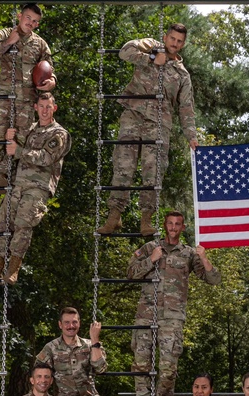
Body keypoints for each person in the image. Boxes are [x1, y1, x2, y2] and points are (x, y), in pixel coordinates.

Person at [97, 23, 199, 236]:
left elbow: (186, 108)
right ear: (165, 36)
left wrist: (191, 136)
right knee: (123, 166)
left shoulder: (182, 75)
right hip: (133, 115)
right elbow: (125, 51)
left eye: (179, 41)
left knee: (153, 173)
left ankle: (146, 219)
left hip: (160, 123)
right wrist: (151, 58)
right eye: (172, 38)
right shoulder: (150, 47)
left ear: (183, 44)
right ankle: (114, 216)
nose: (175, 44)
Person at [128, 211, 221, 396]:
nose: (173, 227)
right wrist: (151, 261)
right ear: (165, 225)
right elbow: (131, 272)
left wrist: (204, 258)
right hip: (145, 314)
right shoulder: (151, 248)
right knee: (141, 363)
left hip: (172, 317)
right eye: (170, 223)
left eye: (177, 224)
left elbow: (213, 279)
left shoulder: (188, 253)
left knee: (169, 364)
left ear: (183, 227)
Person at [0, 92, 71, 284]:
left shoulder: (59, 133)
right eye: (41, 106)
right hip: (18, 183)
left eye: (48, 106)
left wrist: (19, 151)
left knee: (24, 223)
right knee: (3, 221)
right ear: (36, 108)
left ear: (54, 108)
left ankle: (13, 269)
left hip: (38, 186)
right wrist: (10, 138)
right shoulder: (30, 129)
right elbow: (14, 146)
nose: (45, 110)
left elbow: (46, 158)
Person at [0, 3, 55, 188]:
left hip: (27, 100)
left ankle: (5, 175)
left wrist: (52, 82)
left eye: (35, 22)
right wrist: (8, 42)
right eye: (28, 18)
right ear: (19, 16)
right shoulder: (2, 34)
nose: (31, 23)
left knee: (19, 137)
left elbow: (50, 68)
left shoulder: (40, 44)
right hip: (4, 95)